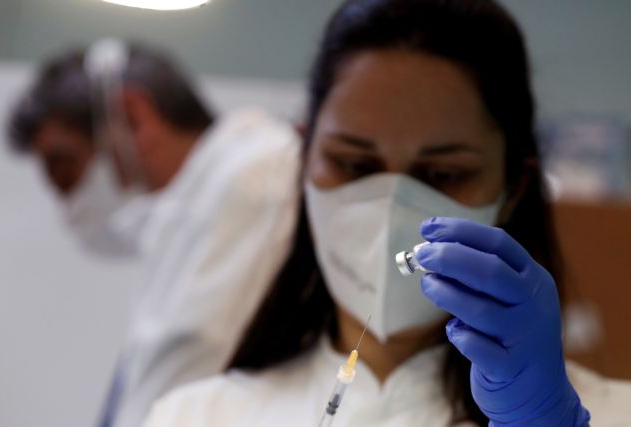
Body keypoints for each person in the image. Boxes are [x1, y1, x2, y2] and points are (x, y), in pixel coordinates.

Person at [144, 0, 631, 426]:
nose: (390, 206)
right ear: (304, 157)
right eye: (354, 164)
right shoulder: (194, 416)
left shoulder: (607, 414)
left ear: (513, 188)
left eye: (441, 173)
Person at [7, 40, 300, 427]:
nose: (67, 199)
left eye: (64, 167)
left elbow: (188, 366)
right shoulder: (188, 207)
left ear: (133, 116)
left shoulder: (252, 179)